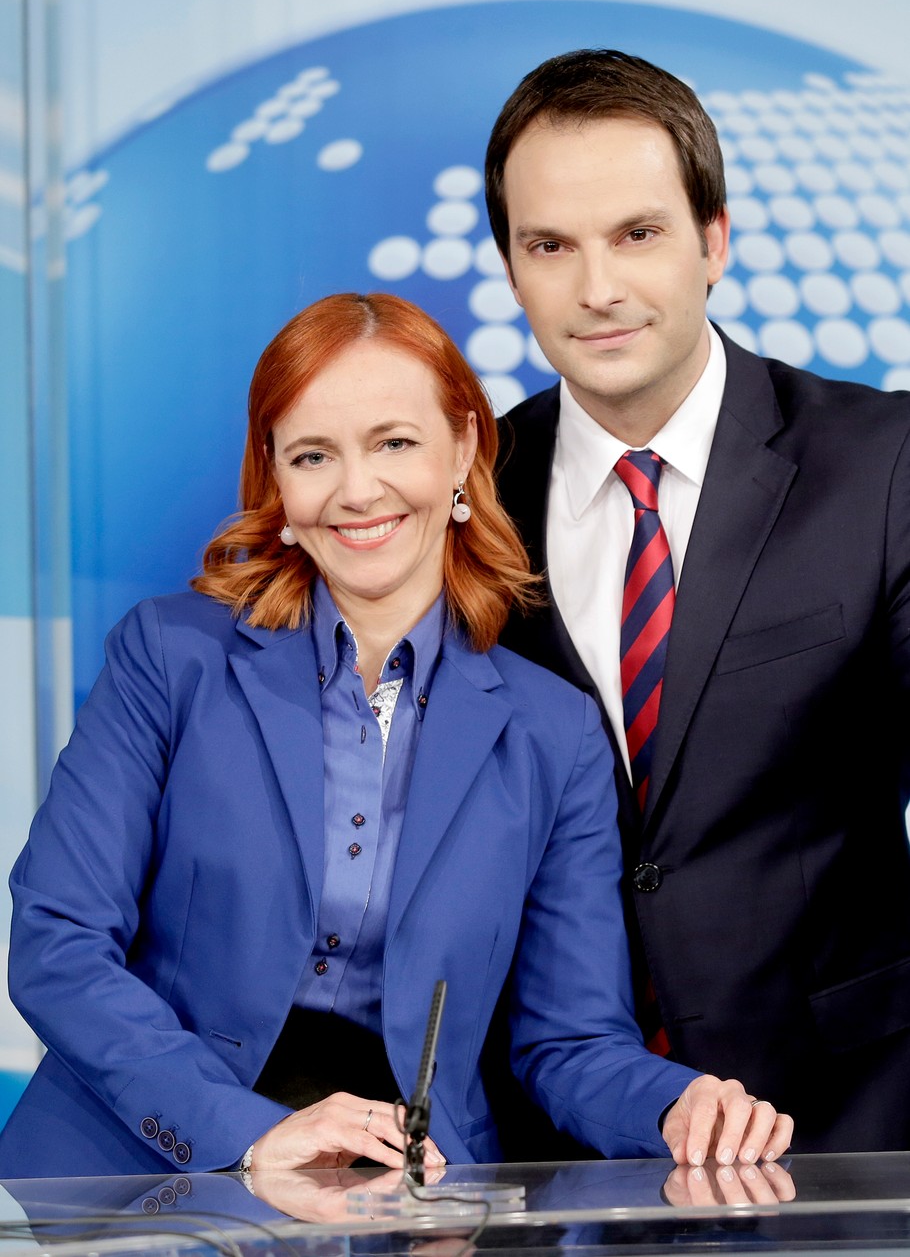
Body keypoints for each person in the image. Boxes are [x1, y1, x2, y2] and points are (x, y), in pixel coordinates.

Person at [0, 292, 791, 1180]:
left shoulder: (554, 731)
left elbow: (569, 1039)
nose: (357, 490)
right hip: (134, 1172)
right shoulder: (169, 655)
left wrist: (678, 1104)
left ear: (462, 448)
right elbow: (59, 942)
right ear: (276, 478)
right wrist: (246, 1134)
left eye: (394, 443)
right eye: (313, 455)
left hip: (412, 1194)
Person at [487, 48, 910, 1153]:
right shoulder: (466, 496)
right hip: (556, 1146)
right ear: (511, 270)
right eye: (550, 245)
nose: (597, 288)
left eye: (637, 234)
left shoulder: (882, 464)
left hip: (848, 1126)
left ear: (714, 240)